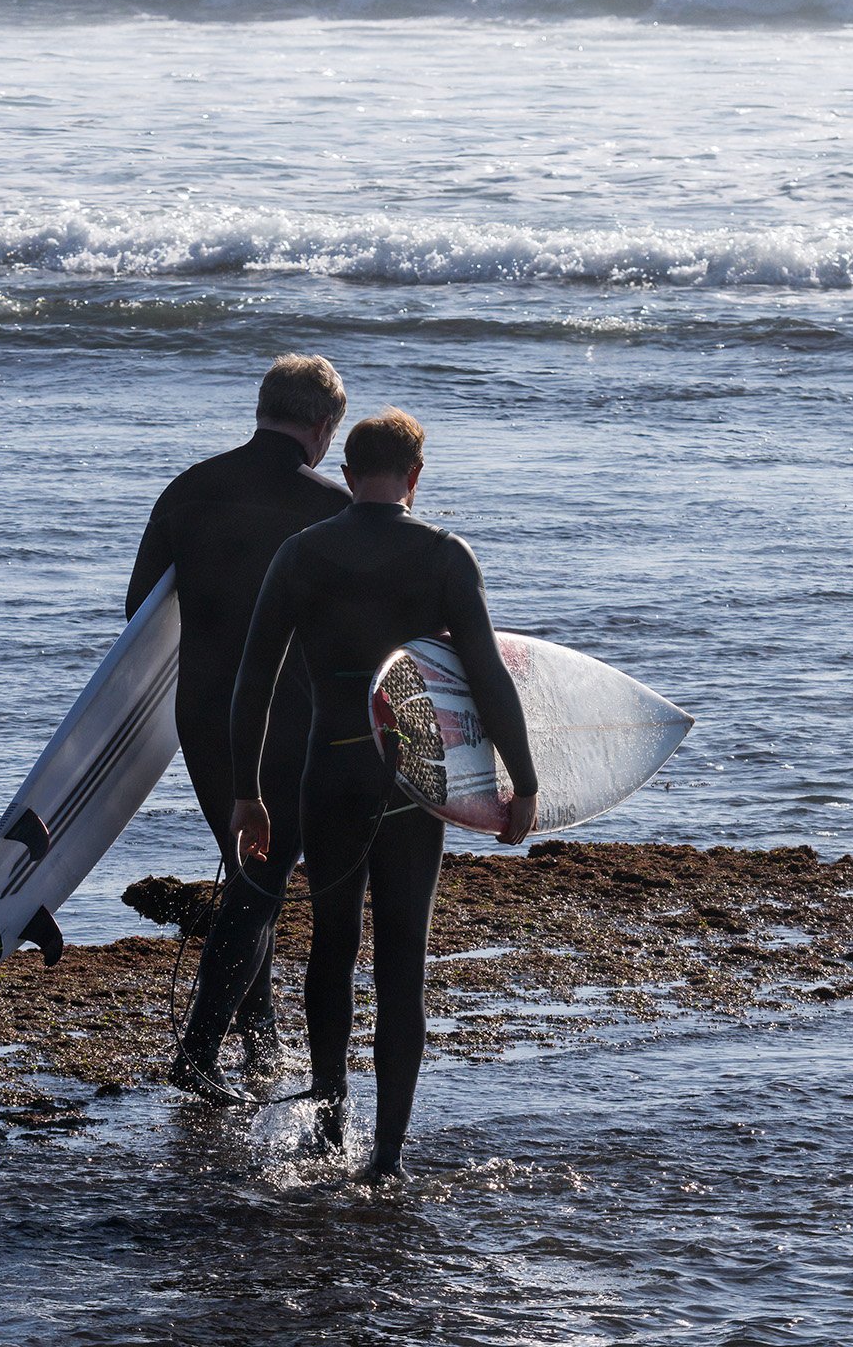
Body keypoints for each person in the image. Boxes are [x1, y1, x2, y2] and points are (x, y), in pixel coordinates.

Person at [230, 407, 538, 1182]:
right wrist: (522, 780)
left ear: (344, 476)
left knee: (332, 948)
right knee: (404, 961)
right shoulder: (443, 555)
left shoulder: (300, 555)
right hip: (412, 781)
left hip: (327, 772)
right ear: (415, 475)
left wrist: (246, 794)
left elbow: (253, 683)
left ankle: (330, 1128)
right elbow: (489, 676)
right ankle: (387, 1159)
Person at [126, 352, 349, 1099]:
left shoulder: (187, 490)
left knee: (248, 864)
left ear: (263, 408)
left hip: (201, 710)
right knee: (261, 881)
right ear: (322, 426)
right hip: (285, 716)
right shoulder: (329, 506)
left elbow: (140, 613)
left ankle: (262, 1039)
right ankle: (196, 1053)